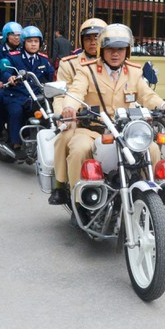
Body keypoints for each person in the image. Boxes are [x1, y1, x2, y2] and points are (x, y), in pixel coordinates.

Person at [60, 23, 165, 198]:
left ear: (127, 50)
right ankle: (79, 199)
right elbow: (75, 91)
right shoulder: (87, 70)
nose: (115, 54)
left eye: (120, 49)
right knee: (79, 149)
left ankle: (153, 197)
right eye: (110, 49)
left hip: (125, 132)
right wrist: (69, 107)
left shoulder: (134, 72)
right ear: (102, 50)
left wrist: (164, 106)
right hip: (92, 130)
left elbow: (147, 94)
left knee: (152, 149)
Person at [49, 17, 107, 205]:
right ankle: (60, 185)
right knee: (65, 137)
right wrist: (65, 115)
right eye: (89, 38)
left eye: (98, 38)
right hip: (79, 117)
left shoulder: (116, 61)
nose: (93, 42)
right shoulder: (70, 64)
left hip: (108, 120)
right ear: (82, 40)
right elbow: (60, 94)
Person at [1, 26, 54, 160]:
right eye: (30, 41)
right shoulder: (14, 57)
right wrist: (10, 77)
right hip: (17, 95)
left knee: (50, 112)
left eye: (36, 41)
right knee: (16, 111)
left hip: (36, 96)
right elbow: (5, 70)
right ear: (24, 42)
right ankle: (16, 143)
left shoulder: (43, 59)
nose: (33, 44)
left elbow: (51, 76)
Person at [0, 22, 24, 138]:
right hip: (2, 84)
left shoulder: (23, 51)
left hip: (19, 83)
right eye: (14, 35)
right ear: (6, 35)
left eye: (19, 35)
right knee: (0, 95)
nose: (17, 38)